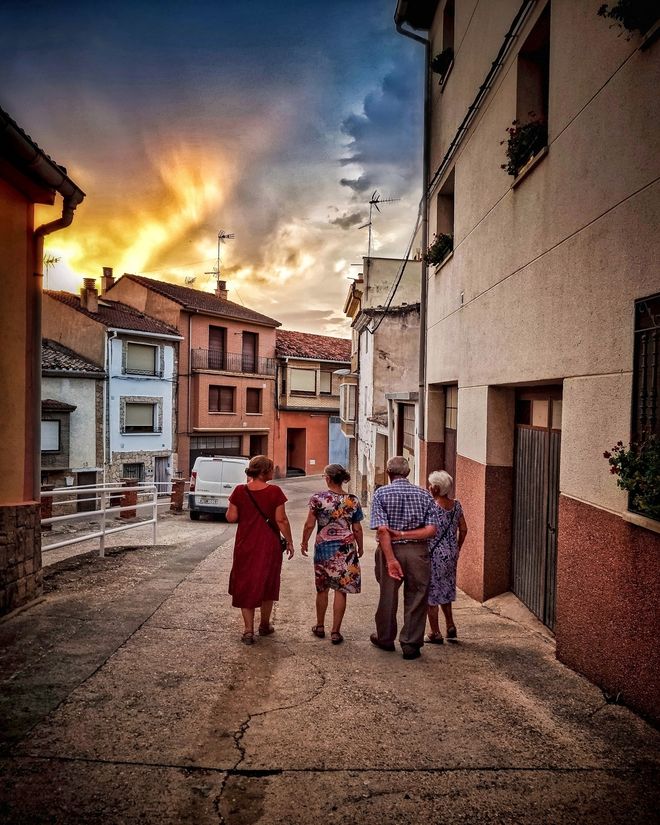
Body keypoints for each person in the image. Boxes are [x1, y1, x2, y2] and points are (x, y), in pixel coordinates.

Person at [369, 456, 437, 660]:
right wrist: (406, 534)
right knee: (417, 596)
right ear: (407, 473)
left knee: (388, 595)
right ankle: (410, 643)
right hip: (418, 553)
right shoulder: (424, 495)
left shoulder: (381, 493)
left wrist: (391, 560)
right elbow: (431, 530)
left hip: (391, 550)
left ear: (388, 473)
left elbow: (382, 530)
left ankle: (385, 638)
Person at [225, 455, 294, 645]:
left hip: (245, 544)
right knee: (267, 582)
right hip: (268, 545)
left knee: (246, 583)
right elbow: (281, 520)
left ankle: (248, 631)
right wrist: (289, 541)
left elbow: (231, 518)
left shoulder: (240, 491)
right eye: (271, 469)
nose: (274, 472)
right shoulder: (275, 492)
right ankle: (264, 625)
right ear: (264, 472)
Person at [300, 464, 364, 645]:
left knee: (322, 588)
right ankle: (335, 631)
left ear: (328, 478)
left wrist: (304, 541)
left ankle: (320, 626)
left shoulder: (318, 499)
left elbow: (309, 524)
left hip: (323, 549)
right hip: (346, 550)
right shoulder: (352, 500)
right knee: (341, 590)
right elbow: (357, 528)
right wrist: (360, 547)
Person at [426, 470, 468, 643]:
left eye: (430, 484)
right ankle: (450, 624)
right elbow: (464, 529)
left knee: (432, 594)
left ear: (436, 488)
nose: (428, 487)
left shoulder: (432, 507)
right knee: (446, 588)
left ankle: (435, 633)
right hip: (451, 554)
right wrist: (457, 547)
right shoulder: (456, 505)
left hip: (434, 555)